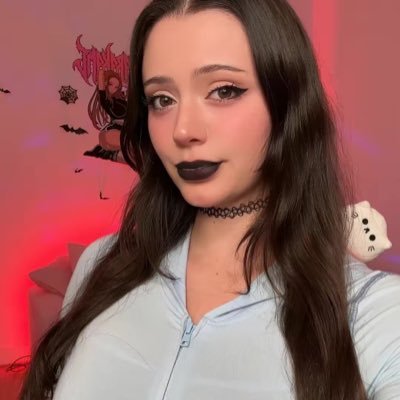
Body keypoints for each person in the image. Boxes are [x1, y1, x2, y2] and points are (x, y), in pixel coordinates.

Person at [20, 0, 400, 399]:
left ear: (288, 102)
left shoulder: (372, 313)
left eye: (223, 91)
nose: (183, 130)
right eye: (162, 99)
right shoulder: (100, 264)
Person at [84, 68, 127, 163]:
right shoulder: (106, 101)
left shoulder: (121, 99)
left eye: (116, 87)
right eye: (110, 84)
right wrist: (101, 71)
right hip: (115, 131)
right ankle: (111, 154)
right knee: (109, 137)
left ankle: (115, 154)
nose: (113, 88)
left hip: (128, 130)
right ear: (105, 83)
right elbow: (101, 89)